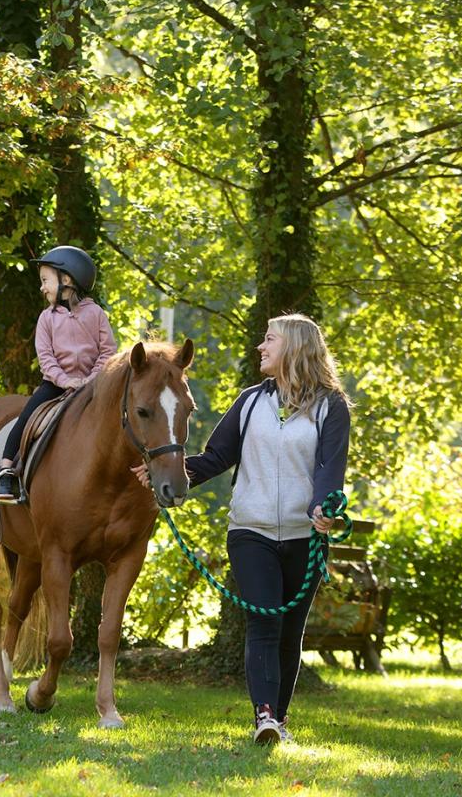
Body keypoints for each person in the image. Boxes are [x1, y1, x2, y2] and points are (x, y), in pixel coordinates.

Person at [155, 314, 350, 743]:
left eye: (270, 340)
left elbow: (329, 469)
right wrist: (168, 474)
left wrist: (325, 507)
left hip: (306, 536)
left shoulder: (330, 406)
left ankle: (278, 720)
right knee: (263, 624)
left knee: (289, 633)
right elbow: (214, 458)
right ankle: (264, 716)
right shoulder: (249, 402)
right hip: (250, 532)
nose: (261, 347)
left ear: (295, 348)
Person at [0, 246, 116, 503]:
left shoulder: (96, 315)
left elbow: (108, 352)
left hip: (92, 387)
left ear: (66, 280)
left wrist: (90, 380)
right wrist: (65, 380)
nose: (41, 288)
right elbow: (45, 358)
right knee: (26, 418)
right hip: (56, 385)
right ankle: (6, 470)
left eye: (45, 280)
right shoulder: (46, 319)